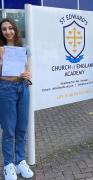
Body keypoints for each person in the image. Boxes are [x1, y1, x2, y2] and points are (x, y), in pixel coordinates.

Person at [0, 18, 34, 179]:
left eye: (10, 28)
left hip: (23, 88)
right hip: (6, 89)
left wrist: (28, 74)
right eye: (4, 29)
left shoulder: (24, 49)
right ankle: (8, 164)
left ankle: (20, 160)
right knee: (8, 129)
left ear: (15, 29)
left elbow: (29, 69)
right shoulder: (0, 49)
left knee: (22, 127)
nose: (8, 31)